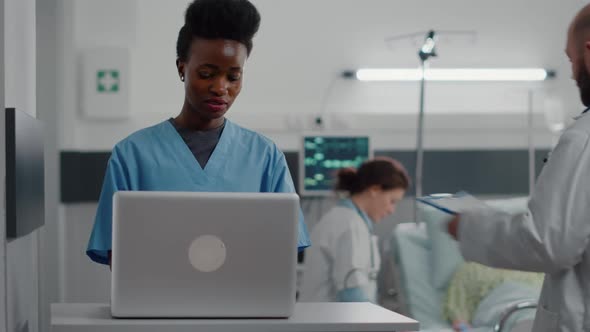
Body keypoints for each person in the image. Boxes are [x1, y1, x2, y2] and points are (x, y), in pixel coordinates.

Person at [86, 0, 310, 267]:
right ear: (182, 68)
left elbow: (284, 251)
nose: (220, 87)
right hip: (156, 306)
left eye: (233, 77)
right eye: (207, 74)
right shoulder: (132, 155)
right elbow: (118, 256)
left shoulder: (265, 157)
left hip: (245, 306)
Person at [447, 4, 590, 331]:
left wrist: (467, 226)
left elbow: (548, 243)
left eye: (571, 61)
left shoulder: (583, 140)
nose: (571, 74)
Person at [299, 158, 409, 303]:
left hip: (329, 319)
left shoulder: (349, 220)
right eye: (392, 201)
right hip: (329, 322)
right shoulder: (349, 225)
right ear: (374, 190)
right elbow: (351, 294)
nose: (391, 210)